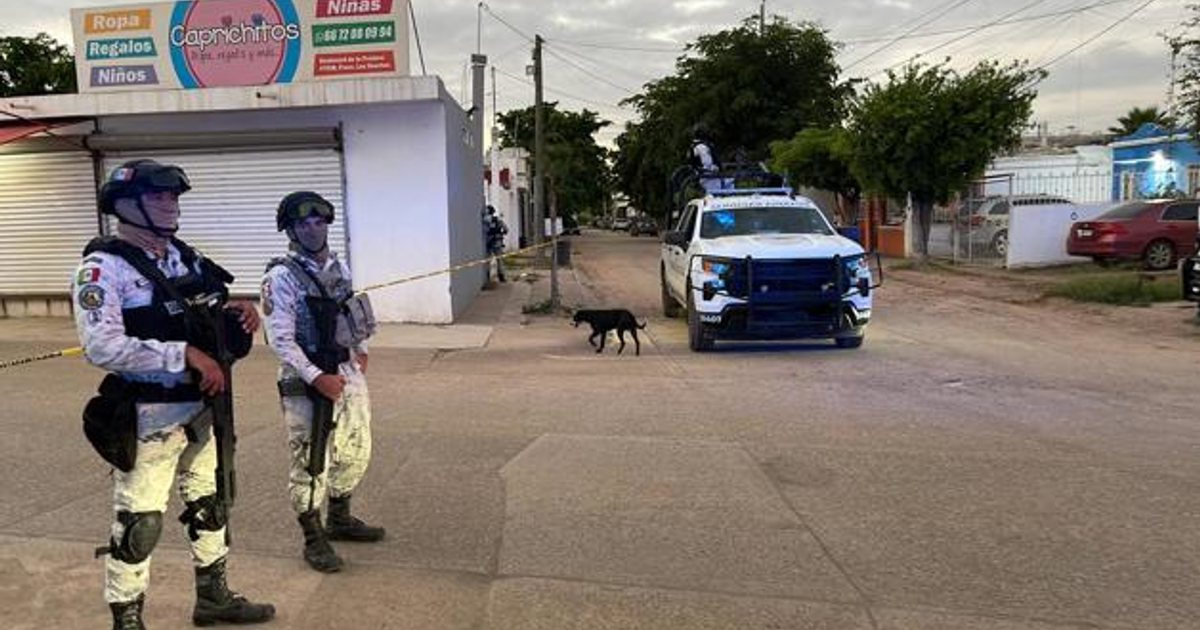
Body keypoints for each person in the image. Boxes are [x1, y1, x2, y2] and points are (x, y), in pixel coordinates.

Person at [73, 160, 275, 629]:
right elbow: (102, 345)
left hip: (204, 409)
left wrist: (238, 311)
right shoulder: (103, 269)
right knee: (140, 523)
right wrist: (182, 354)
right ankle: (127, 619)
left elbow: (206, 307)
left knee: (210, 502)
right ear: (124, 205)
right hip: (149, 414)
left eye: (173, 196)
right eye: (158, 196)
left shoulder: (184, 258)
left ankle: (213, 598)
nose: (170, 204)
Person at [261, 191, 384, 574]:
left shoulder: (338, 267)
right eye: (303, 224)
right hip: (306, 374)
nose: (313, 230)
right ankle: (313, 537)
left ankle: (340, 516)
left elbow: (349, 312)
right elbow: (280, 339)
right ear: (290, 230)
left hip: (344, 368)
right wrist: (317, 377)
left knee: (355, 446)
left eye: (318, 222)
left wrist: (360, 349)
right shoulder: (280, 277)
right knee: (310, 458)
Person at [688, 124, 726, 194]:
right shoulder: (702, 147)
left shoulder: (694, 146)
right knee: (730, 182)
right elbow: (708, 165)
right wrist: (717, 168)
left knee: (728, 180)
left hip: (702, 177)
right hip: (707, 178)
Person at [483, 205, 508, 282]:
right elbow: (506, 229)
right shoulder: (498, 220)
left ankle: (487, 276)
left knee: (487, 260)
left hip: (489, 242)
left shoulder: (485, 219)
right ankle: (501, 276)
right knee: (499, 260)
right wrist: (502, 233)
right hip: (497, 242)